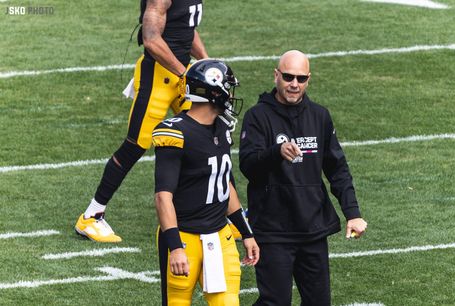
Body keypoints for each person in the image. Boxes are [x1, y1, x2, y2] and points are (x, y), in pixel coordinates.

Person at [239, 50, 368, 306]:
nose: (294, 84)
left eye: (300, 78)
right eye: (288, 77)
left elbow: (337, 168)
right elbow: (248, 166)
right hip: (273, 230)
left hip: (312, 228)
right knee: (274, 302)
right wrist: (276, 152)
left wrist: (352, 213)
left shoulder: (319, 116)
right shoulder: (257, 117)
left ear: (309, 79)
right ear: (276, 75)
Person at [75, 0, 208, 242]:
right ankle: (91, 216)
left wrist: (206, 62)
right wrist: (185, 73)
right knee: (136, 144)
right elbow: (151, 39)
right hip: (159, 76)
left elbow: (185, 27)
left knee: (208, 137)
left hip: (181, 75)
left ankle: (220, 215)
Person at [154, 59, 259, 306]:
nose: (231, 95)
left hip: (218, 235)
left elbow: (225, 185)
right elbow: (163, 196)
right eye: (228, 88)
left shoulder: (222, 126)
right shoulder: (176, 131)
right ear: (215, 91)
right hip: (184, 236)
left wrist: (246, 232)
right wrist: (175, 246)